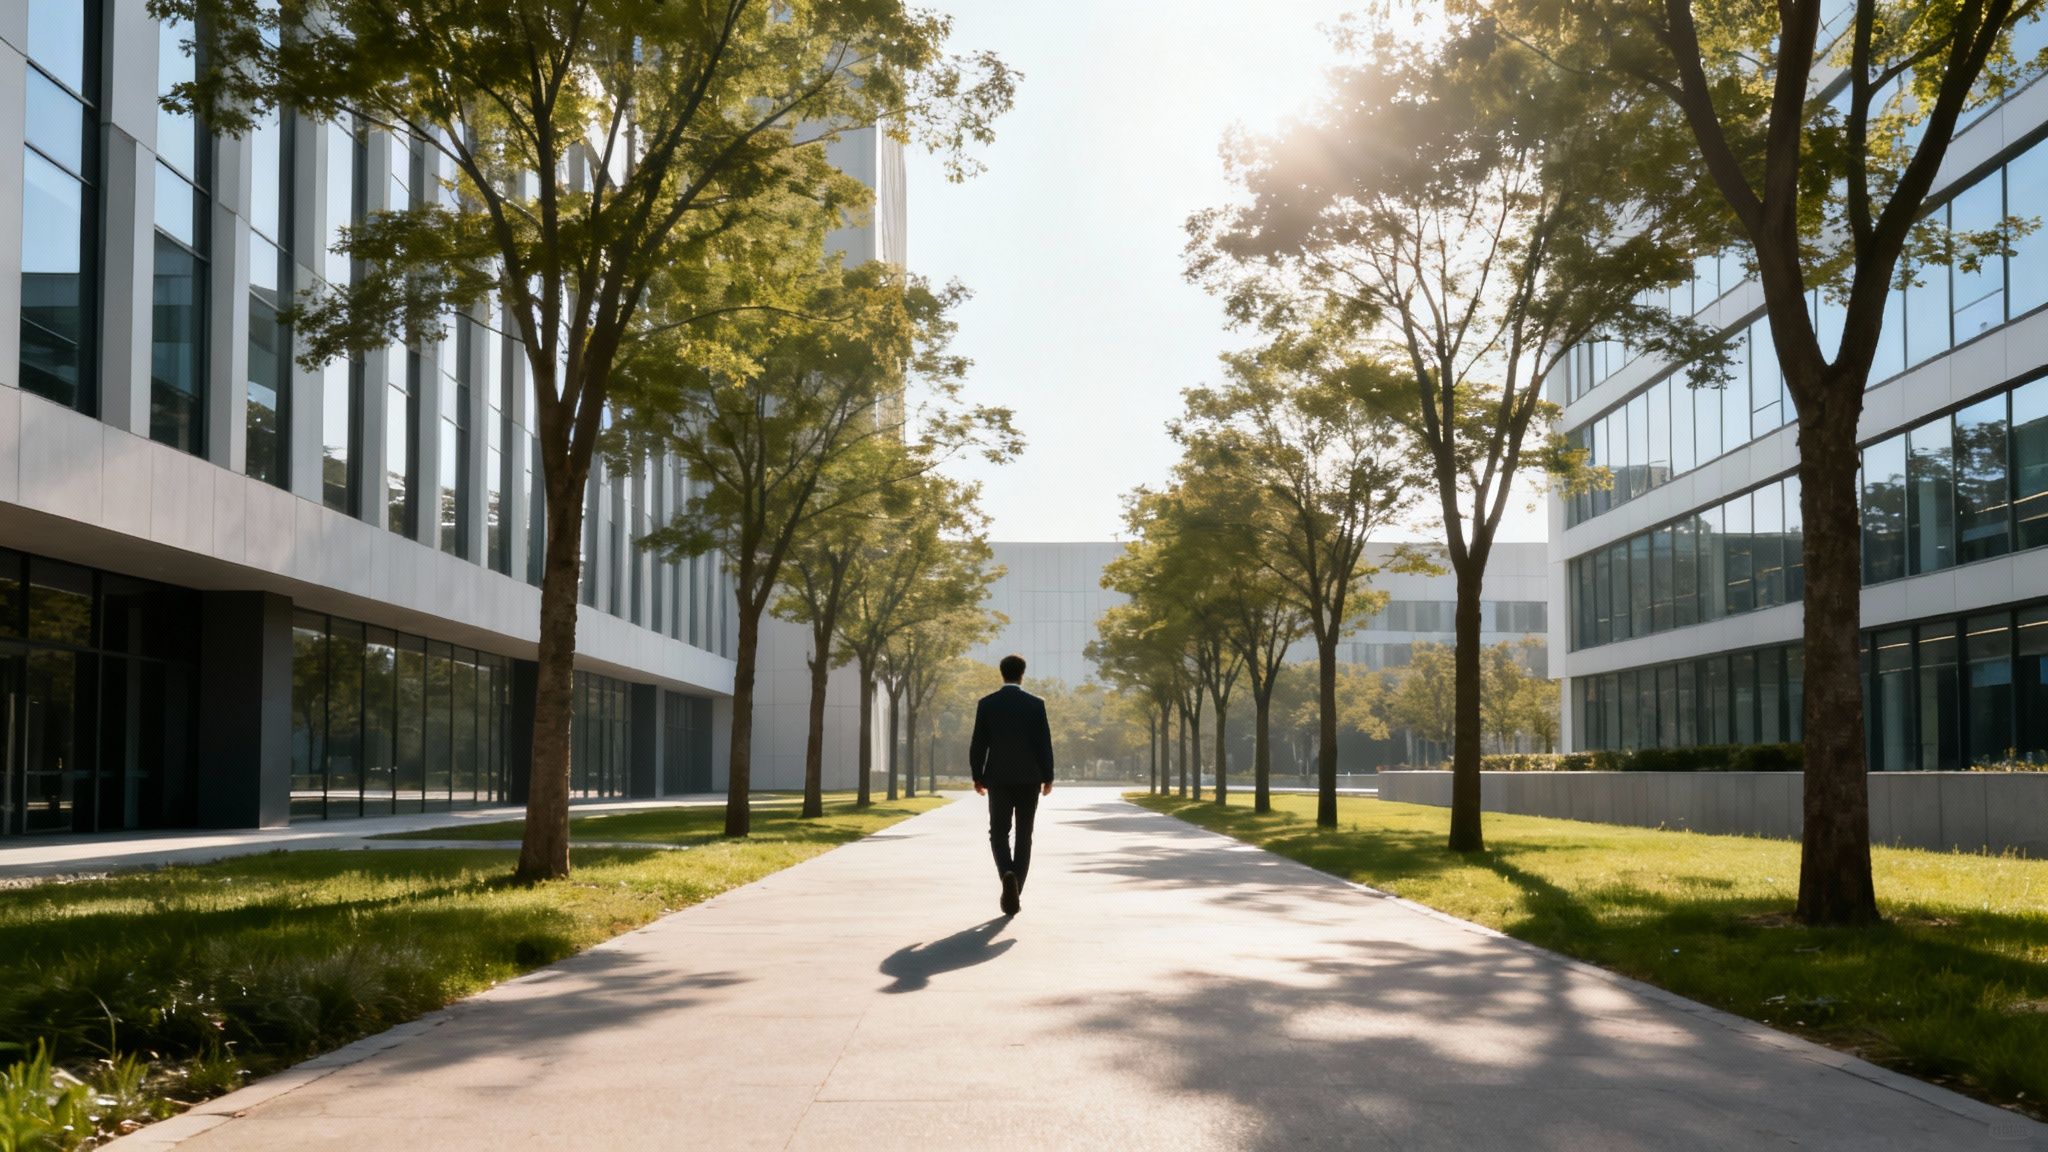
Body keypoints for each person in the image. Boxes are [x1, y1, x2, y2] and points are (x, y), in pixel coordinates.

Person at [968, 654, 1054, 917]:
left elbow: (978, 744)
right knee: (1024, 835)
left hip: (998, 779)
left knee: (999, 832)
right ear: (1022, 674)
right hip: (1029, 779)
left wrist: (977, 775)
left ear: (1001, 673)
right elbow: (1044, 744)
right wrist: (1048, 776)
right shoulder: (1035, 705)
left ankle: (1006, 872)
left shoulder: (987, 704)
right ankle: (1016, 886)